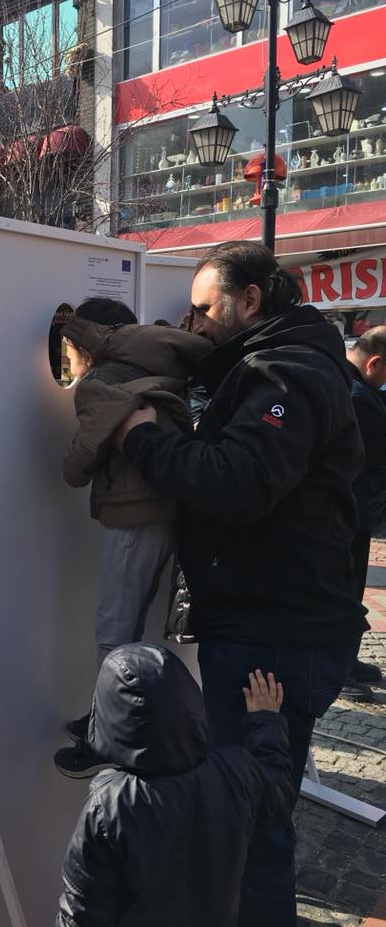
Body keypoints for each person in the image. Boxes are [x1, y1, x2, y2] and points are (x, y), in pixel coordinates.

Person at [114, 241, 366, 927]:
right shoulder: (281, 364)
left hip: (273, 641)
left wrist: (143, 438)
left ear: (250, 301)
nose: (193, 325)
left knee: (252, 824)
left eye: (204, 309)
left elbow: (237, 483)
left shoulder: (284, 373)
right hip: (273, 626)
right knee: (253, 812)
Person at [54, 299, 211, 778]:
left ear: (85, 344)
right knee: (131, 624)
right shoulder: (158, 361)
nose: (68, 363)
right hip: (165, 510)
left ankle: (107, 739)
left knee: (114, 632)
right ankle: (111, 721)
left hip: (133, 517)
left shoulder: (101, 382)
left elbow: (76, 467)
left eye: (68, 352)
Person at [56, 645, 294, 927]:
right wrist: (266, 721)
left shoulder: (109, 805)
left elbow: (81, 914)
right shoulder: (235, 771)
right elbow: (278, 793)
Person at [341, 327, 386, 700]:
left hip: (352, 513)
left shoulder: (348, 385)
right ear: (374, 363)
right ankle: (336, 668)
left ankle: (345, 659)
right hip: (345, 515)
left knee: (350, 590)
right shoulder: (358, 398)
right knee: (341, 592)